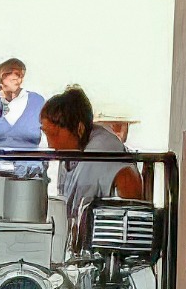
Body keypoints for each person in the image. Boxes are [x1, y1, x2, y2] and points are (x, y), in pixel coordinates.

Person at [39, 84, 144, 235]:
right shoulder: (71, 153)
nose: (50, 144)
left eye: (54, 135)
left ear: (79, 129)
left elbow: (132, 194)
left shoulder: (105, 150)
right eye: (46, 135)